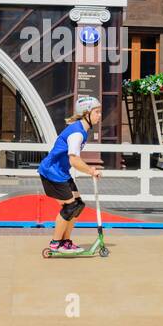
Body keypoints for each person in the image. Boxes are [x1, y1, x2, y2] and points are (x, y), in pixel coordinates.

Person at [37, 96, 103, 256]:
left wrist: (89, 168)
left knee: (78, 205)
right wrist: (91, 171)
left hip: (61, 173)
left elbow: (73, 158)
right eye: (96, 112)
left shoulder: (81, 129)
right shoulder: (77, 133)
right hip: (52, 173)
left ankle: (65, 242)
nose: (99, 115)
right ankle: (55, 243)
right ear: (86, 113)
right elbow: (74, 160)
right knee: (70, 207)